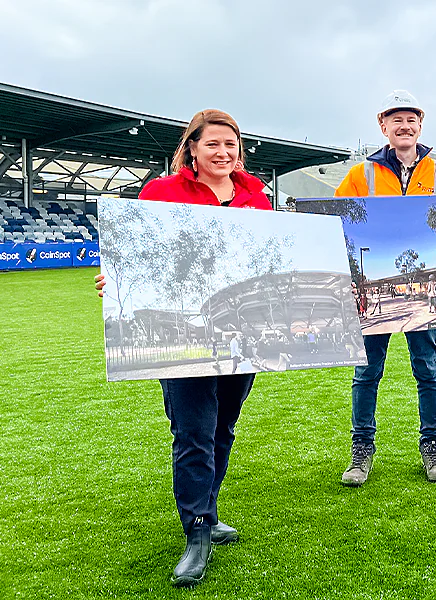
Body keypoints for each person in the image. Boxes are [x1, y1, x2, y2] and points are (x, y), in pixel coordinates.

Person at [95, 109, 272, 586]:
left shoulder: (257, 197)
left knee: (224, 427)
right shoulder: (161, 193)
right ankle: (196, 533)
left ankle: (208, 512)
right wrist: (115, 281)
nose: (224, 153)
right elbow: (135, 256)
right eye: (213, 144)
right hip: (183, 335)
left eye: (231, 145)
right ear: (191, 148)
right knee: (193, 430)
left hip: (241, 336)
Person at [334, 90, 436, 486]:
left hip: (427, 281)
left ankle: (432, 447)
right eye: (396, 120)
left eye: (411, 120)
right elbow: (335, 224)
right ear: (383, 126)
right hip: (367, 288)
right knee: (366, 372)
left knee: (428, 369)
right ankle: (361, 451)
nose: (404, 127)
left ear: (420, 126)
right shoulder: (361, 175)